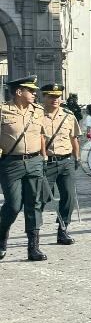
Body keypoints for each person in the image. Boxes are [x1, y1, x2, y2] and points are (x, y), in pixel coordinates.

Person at [0, 77, 47, 261]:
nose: (35, 93)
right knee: (13, 205)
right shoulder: (3, 111)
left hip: (34, 162)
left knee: (34, 204)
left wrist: (44, 156)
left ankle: (33, 247)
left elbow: (42, 134)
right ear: (19, 92)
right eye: (31, 90)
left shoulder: (38, 111)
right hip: (11, 163)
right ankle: (2, 235)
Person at [40, 83, 80, 248]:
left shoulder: (69, 116)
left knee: (69, 197)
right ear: (44, 97)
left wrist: (77, 157)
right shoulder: (37, 115)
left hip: (66, 161)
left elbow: (74, 138)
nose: (55, 99)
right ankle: (33, 232)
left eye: (57, 96)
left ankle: (63, 229)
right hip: (46, 163)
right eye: (51, 96)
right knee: (40, 199)